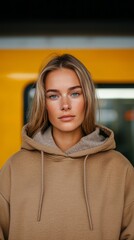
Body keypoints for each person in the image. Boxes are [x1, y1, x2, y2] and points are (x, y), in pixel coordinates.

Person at [0, 53, 134, 240]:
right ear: (44, 103)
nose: (65, 105)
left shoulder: (120, 169)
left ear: (86, 98)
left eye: (74, 93)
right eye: (54, 96)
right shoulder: (14, 168)